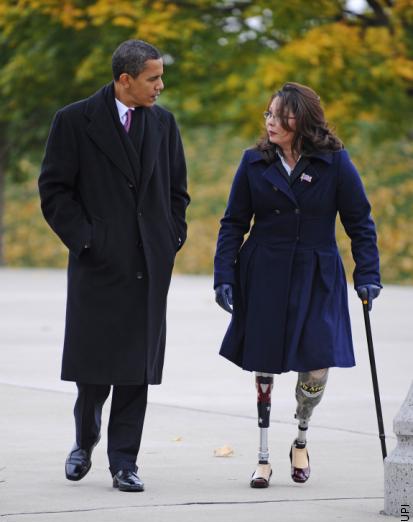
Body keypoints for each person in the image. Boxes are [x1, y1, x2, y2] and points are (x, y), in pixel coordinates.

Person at [38, 39, 190, 492]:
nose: (160, 86)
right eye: (153, 78)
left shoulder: (163, 123)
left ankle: (124, 462)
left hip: (149, 265)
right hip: (98, 265)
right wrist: (87, 240)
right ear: (125, 79)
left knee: (136, 371)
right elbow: (54, 190)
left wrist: (170, 238)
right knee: (93, 369)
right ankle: (84, 440)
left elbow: (177, 192)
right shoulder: (73, 120)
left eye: (161, 77)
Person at [213, 82, 381, 488]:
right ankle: (263, 456)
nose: (271, 122)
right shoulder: (254, 161)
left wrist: (368, 275)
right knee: (264, 360)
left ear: (302, 119)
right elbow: (233, 223)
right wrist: (224, 275)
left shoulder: (334, 163)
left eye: (280, 115)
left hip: (317, 272)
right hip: (264, 270)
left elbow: (359, 222)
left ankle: (301, 436)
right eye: (268, 114)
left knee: (317, 363)